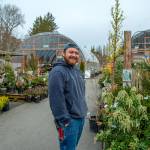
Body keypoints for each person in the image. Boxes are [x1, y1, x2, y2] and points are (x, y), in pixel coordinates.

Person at [48, 43, 88, 150]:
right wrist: (64, 121)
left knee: (72, 147)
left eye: (76, 53)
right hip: (69, 121)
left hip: (80, 117)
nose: (74, 55)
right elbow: (56, 100)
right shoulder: (58, 72)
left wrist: (84, 110)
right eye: (71, 52)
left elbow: (80, 93)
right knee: (67, 148)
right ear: (63, 53)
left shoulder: (76, 71)